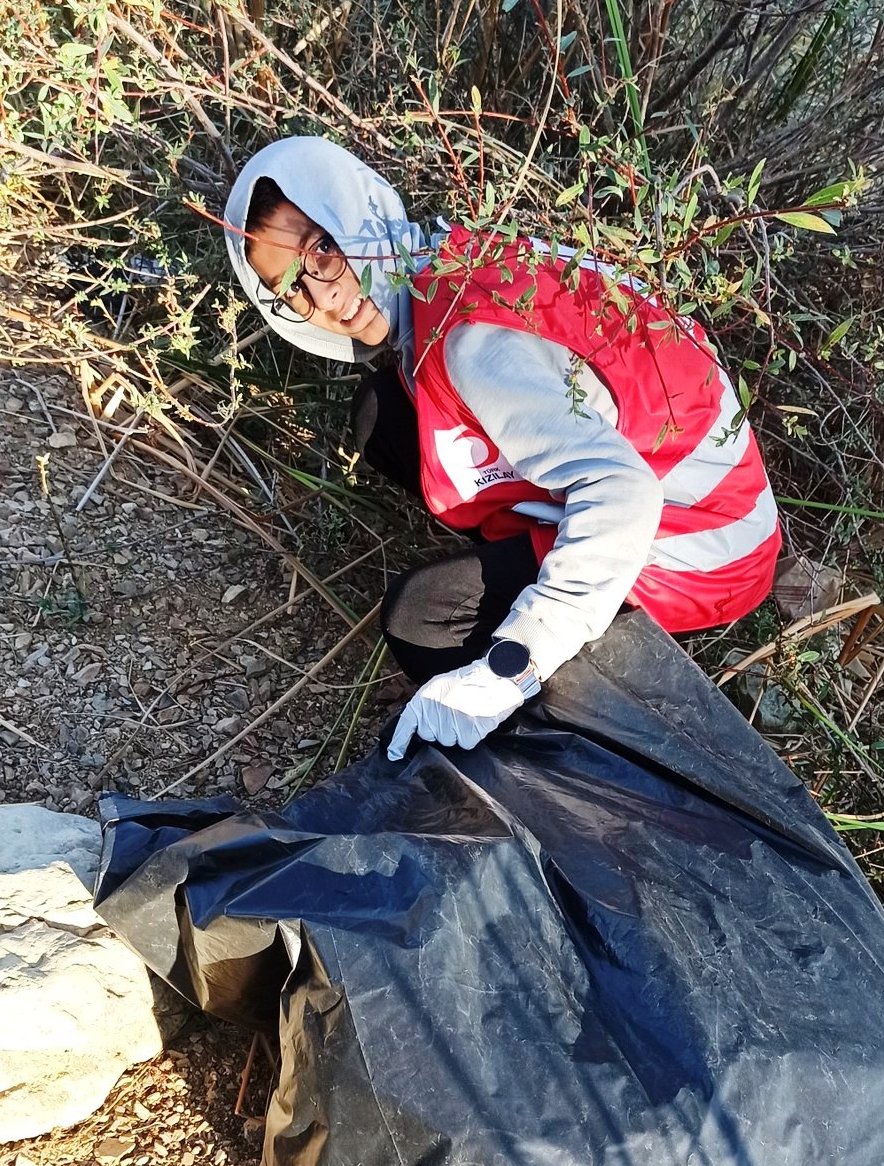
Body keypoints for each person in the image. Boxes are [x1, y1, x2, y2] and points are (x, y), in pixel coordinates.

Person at [221, 137, 780, 758]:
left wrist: (513, 662)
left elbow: (625, 493)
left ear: (352, 207)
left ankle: (581, 651)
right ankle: (535, 570)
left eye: (321, 248)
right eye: (292, 285)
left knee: (423, 620)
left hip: (704, 545)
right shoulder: (444, 261)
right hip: (694, 483)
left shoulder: (467, 345)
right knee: (383, 413)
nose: (323, 298)